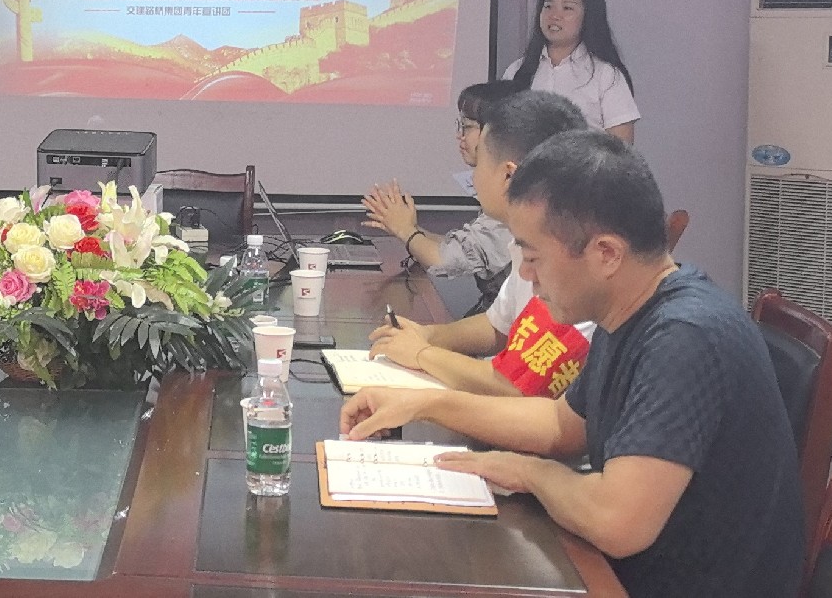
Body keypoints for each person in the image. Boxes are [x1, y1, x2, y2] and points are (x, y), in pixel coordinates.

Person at [341, 131, 805, 597]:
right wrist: (424, 404)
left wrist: (531, 473)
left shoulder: (685, 337)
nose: (525, 274)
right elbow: (561, 424)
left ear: (606, 254)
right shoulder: (631, 309)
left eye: (532, 256)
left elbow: (616, 522)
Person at [368, 90, 592, 398]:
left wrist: (422, 354)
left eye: (479, 165)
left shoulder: (574, 264)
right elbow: (497, 325)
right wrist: (427, 335)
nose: (473, 178)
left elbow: (515, 386)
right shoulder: (528, 242)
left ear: (509, 176)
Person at [361, 81, 516, 306]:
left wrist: (405, 230)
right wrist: (407, 228)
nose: (459, 136)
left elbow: (445, 261)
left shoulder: (514, 199)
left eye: (467, 126)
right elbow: (463, 245)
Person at [503, 0, 639, 143]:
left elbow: (621, 150)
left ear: (588, 16)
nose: (554, 16)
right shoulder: (516, 70)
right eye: (548, 6)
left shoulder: (606, 75)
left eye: (567, 8)